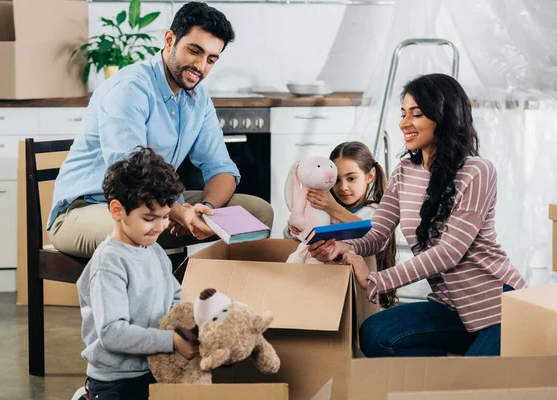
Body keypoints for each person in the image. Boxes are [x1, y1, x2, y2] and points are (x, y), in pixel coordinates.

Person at [308, 73, 527, 357]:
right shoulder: (404, 172)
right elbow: (377, 234)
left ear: (443, 117)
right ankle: (443, 373)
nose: (404, 124)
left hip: (497, 306)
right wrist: (344, 247)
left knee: (477, 382)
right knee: (375, 335)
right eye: (403, 114)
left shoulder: (477, 171)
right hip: (450, 309)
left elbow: (449, 252)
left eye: (417, 114)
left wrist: (378, 280)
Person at [47, 1, 273, 259]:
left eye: (211, 59)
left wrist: (204, 210)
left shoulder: (198, 99)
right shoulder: (130, 88)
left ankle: (214, 294)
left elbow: (221, 169)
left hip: (155, 204)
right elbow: (131, 176)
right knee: (140, 227)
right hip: (90, 208)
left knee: (258, 213)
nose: (200, 66)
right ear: (169, 39)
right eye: (194, 51)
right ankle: (171, 294)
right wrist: (178, 212)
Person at [75, 147, 198, 399]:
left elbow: (175, 296)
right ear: (117, 210)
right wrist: (171, 341)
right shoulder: (109, 262)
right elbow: (112, 333)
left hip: (154, 368)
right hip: (117, 381)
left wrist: (187, 327)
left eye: (164, 217)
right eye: (149, 218)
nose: (159, 227)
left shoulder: (153, 250)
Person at [287, 141, 397, 307]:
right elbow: (292, 236)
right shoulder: (325, 210)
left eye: (351, 178)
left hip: (362, 301)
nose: (343, 187)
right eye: (337, 180)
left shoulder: (374, 211)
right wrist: (294, 226)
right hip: (321, 291)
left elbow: (372, 235)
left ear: (370, 175)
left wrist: (333, 208)